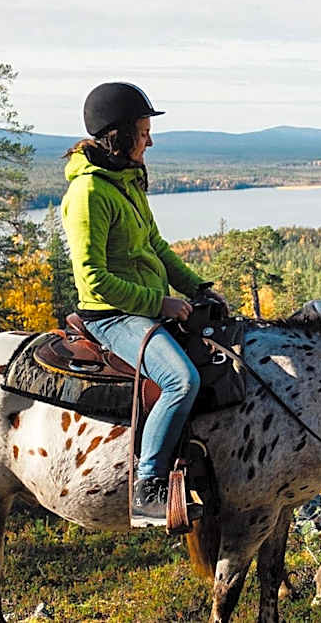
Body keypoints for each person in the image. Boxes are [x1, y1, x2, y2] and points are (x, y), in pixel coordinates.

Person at [61, 82, 226, 527]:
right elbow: (92, 279)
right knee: (180, 381)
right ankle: (148, 485)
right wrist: (161, 303)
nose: (149, 139)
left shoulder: (126, 181)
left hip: (145, 308)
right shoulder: (88, 194)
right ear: (117, 136)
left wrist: (197, 288)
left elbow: (155, 245)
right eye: (144, 130)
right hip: (111, 316)